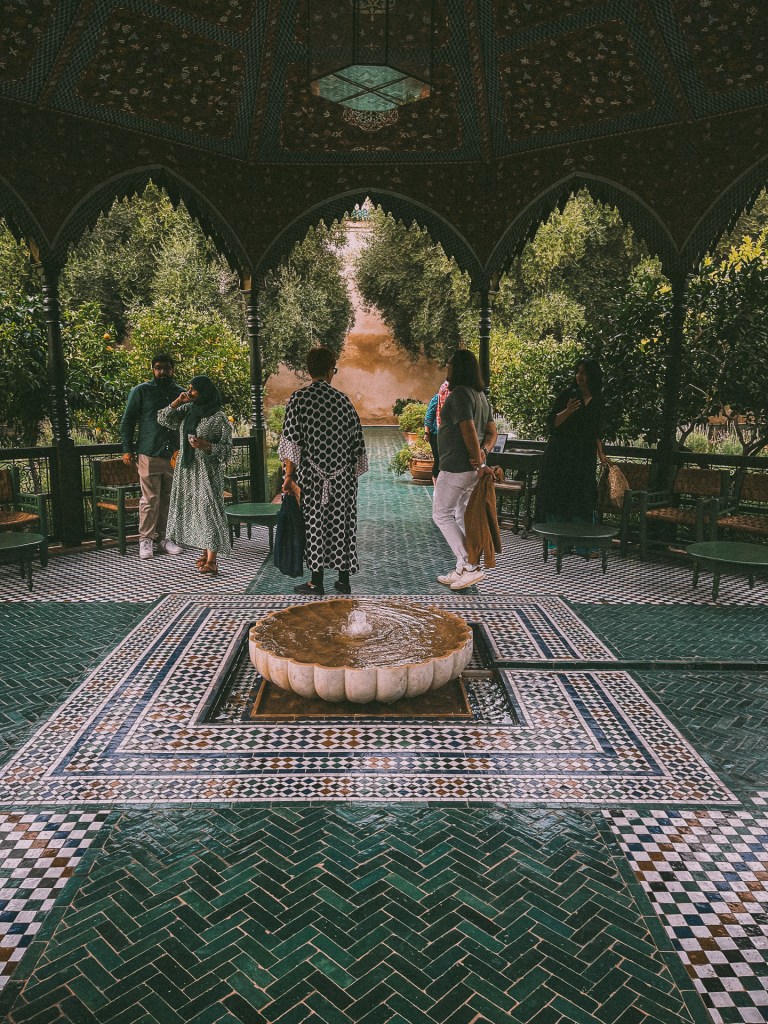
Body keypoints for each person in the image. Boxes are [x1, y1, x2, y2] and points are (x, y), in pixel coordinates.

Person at [278, 347, 368, 596]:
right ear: (330, 370)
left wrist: (288, 477)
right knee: (342, 525)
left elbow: (292, 444)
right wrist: (346, 471)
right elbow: (357, 444)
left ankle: (316, 582)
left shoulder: (299, 399)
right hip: (343, 480)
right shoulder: (343, 401)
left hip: (312, 479)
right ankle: (343, 580)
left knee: (315, 526)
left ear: (309, 370)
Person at [432, 350, 497, 591]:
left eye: (449, 365)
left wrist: (479, 460)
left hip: (456, 467)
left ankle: (470, 566)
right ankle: (461, 566)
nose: (446, 369)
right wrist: (484, 452)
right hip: (470, 470)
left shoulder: (459, 395)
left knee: (441, 514)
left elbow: (468, 430)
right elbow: (492, 433)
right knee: (460, 514)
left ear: (458, 368)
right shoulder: (480, 396)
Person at [157, 375, 233, 575]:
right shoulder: (189, 410)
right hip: (187, 470)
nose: (189, 392)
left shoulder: (219, 418)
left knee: (209, 511)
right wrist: (178, 401)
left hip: (207, 471)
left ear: (205, 391)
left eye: (193, 389)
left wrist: (207, 446)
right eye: (188, 388)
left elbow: (227, 450)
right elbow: (163, 418)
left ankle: (212, 560)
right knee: (197, 511)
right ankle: (204, 554)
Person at [536, 358, 609, 544]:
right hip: (561, 454)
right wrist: (568, 410)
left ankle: (583, 544)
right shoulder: (568, 395)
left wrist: (601, 454)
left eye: (583, 373)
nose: (579, 377)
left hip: (583, 456)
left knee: (582, 496)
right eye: (578, 372)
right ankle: (556, 542)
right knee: (559, 495)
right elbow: (552, 423)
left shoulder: (598, 400)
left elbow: (596, 431)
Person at [120, 353, 185, 560]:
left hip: (174, 454)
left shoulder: (181, 393)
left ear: (172, 369)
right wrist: (127, 449)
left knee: (169, 498)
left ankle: (165, 539)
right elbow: (127, 421)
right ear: (152, 369)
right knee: (150, 499)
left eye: (166, 368)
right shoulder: (141, 391)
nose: (162, 372)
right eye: (158, 368)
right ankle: (145, 540)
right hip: (149, 452)